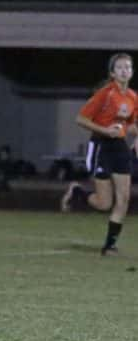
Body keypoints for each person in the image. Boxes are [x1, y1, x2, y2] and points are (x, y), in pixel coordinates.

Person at [60, 53, 137, 256]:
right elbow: (81, 119)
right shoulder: (105, 94)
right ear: (112, 72)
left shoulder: (133, 97)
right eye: (120, 67)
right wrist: (105, 130)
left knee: (124, 198)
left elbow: (132, 125)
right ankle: (78, 192)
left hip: (120, 147)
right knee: (104, 203)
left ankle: (109, 245)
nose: (125, 71)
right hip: (101, 146)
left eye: (128, 67)